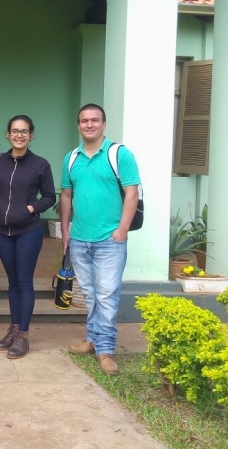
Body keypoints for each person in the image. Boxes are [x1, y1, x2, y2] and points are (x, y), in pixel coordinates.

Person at [60, 103, 140, 376]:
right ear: (78, 125)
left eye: (95, 120)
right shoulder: (71, 158)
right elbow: (66, 196)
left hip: (110, 239)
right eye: (84, 121)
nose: (89, 124)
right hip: (80, 238)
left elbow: (132, 193)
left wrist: (122, 230)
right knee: (92, 295)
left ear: (104, 124)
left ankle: (105, 350)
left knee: (107, 295)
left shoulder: (119, 154)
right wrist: (65, 231)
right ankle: (92, 339)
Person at [0, 115, 55, 359]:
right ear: (7, 134)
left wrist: (30, 208)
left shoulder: (40, 164)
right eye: (14, 131)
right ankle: (13, 328)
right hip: (3, 232)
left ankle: (23, 335)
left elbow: (49, 197)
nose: (19, 135)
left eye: (24, 131)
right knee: (12, 281)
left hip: (28, 231)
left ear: (31, 135)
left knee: (24, 282)